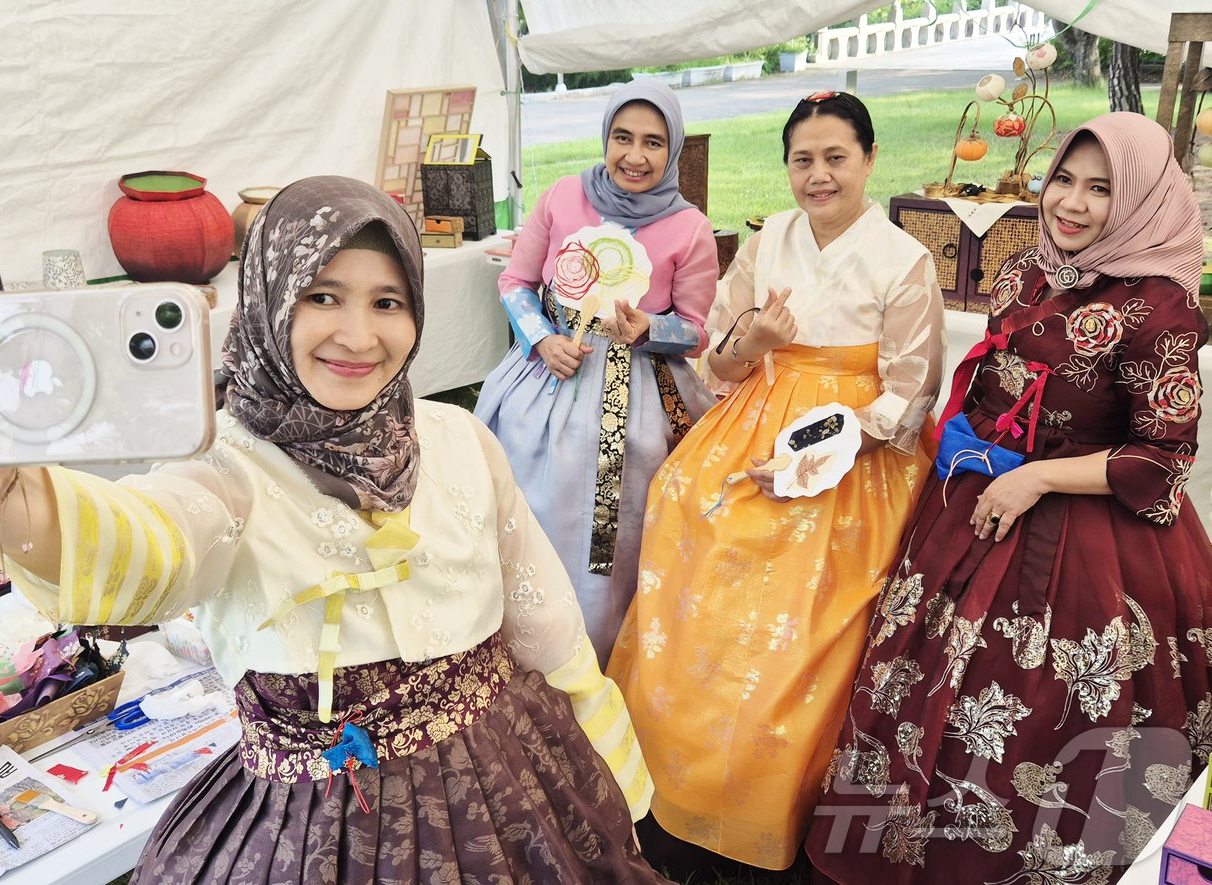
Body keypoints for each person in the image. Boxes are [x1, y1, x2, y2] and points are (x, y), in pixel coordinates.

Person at [0, 176, 667, 884]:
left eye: (387, 301)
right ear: (267, 301)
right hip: (315, 832)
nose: (358, 334)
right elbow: (144, 549)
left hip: (507, 777)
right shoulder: (227, 466)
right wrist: (0, 496)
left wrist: (603, 764)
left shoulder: (457, 438)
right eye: (321, 296)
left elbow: (542, 616)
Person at [806, 112, 1212, 883]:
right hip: (978, 508)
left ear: (1144, 200)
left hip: (1097, 544)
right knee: (923, 685)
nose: (1074, 203)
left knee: (1047, 714)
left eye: (1103, 189)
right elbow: (996, 381)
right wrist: (970, 436)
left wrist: (1035, 475)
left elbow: (1163, 459)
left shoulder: (1160, 308)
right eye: (1065, 178)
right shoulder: (1027, 267)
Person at [607, 91, 946, 873]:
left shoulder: (905, 260)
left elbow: (909, 395)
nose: (818, 176)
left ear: (868, 160)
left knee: (797, 588)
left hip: (852, 444)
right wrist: (752, 339)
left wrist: (812, 454)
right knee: (687, 502)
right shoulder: (771, 239)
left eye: (836, 158)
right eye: (803, 159)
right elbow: (717, 361)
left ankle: (765, 790)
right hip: (755, 413)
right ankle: (669, 770)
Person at [475, 79, 719, 666]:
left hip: (637, 387)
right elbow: (516, 282)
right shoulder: (562, 196)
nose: (636, 156)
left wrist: (649, 329)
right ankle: (516, 640)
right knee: (527, 491)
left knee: (613, 528)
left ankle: (602, 653)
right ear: (606, 137)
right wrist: (542, 339)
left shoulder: (689, 228)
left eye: (654, 143)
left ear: (674, 151)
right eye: (623, 137)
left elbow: (696, 330)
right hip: (552, 367)